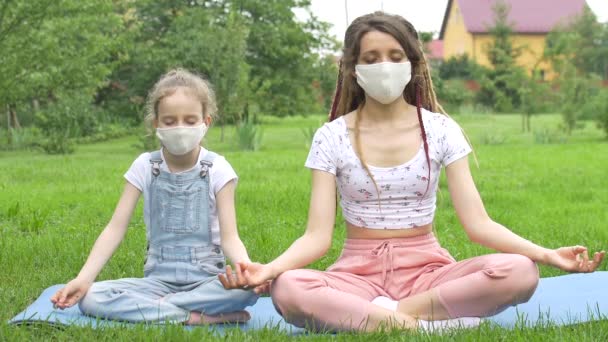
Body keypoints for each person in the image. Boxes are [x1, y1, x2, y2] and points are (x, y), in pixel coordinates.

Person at [220, 12, 605, 332]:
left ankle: (383, 318)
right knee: (289, 289)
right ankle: (422, 325)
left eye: (394, 55)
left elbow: (479, 224)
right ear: (352, 69)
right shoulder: (331, 136)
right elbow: (316, 237)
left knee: (520, 273)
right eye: (370, 58)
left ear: (413, 64)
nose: (383, 66)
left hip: (429, 272)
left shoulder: (440, 129)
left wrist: (546, 255)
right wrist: (269, 270)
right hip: (357, 274)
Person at [50, 68, 258, 324]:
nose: (180, 128)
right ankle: (198, 318)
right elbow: (115, 229)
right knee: (92, 297)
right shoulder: (144, 166)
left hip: (206, 280)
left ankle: (155, 311)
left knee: (244, 293)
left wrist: (248, 271)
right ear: (156, 124)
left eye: (190, 120)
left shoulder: (218, 168)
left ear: (206, 122)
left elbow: (230, 238)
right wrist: (83, 279)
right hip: (157, 283)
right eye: (170, 121)